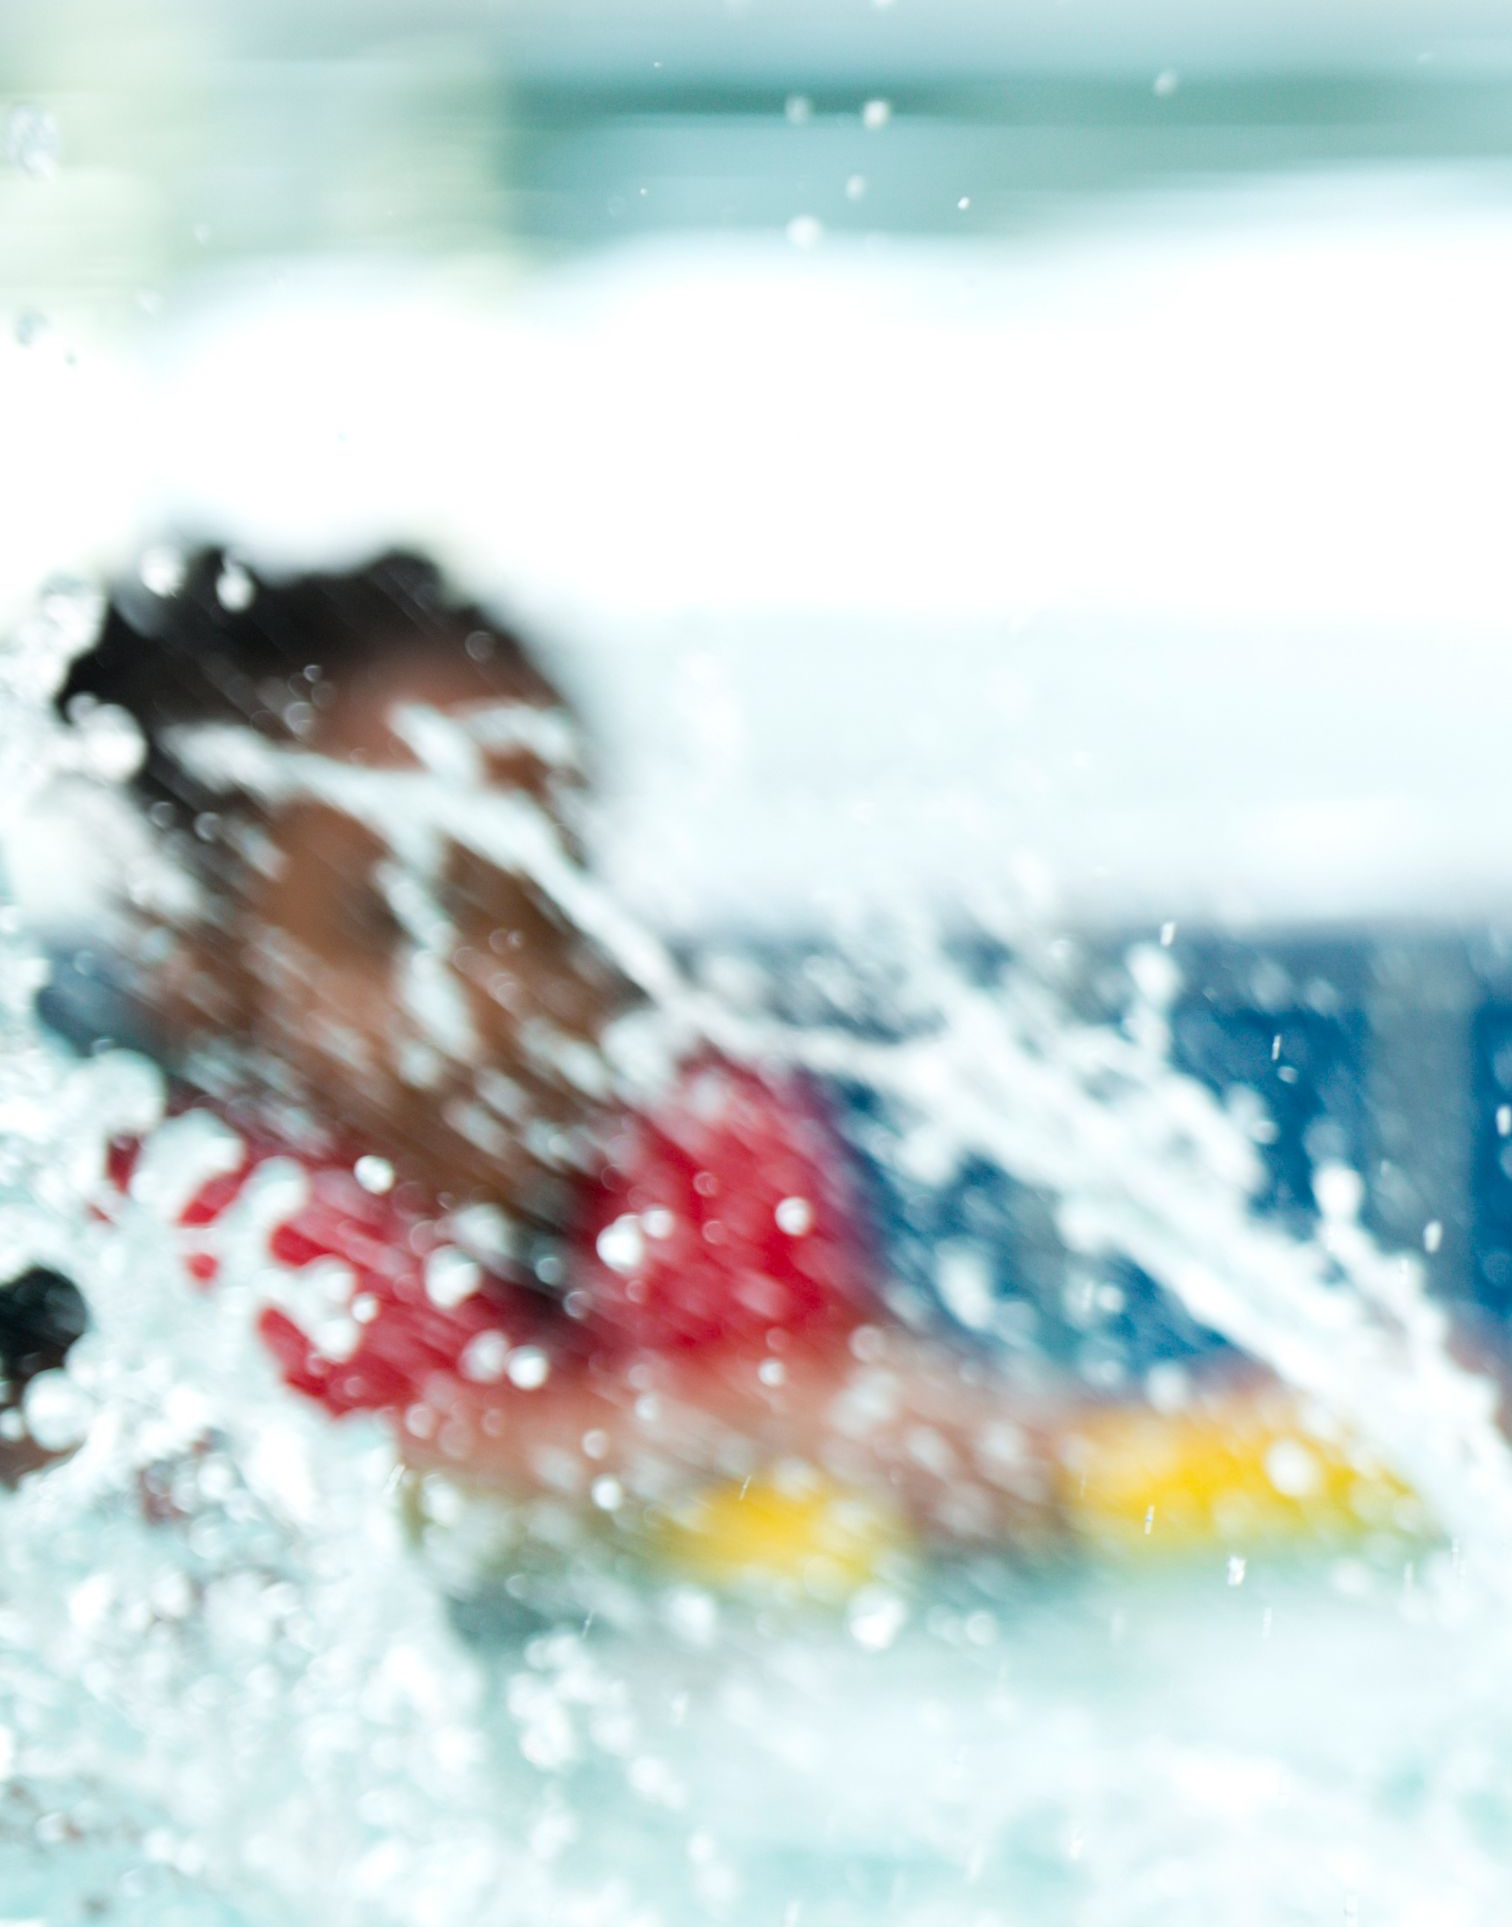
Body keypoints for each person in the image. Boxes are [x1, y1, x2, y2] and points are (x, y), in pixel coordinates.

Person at [44, 542, 1392, 1564]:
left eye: (549, 914)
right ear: (196, 967)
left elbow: (892, 1404)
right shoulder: (179, 1239)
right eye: (396, 929)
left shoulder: (689, 1156)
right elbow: (351, 1482)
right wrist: (731, 1431)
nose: (498, 999)